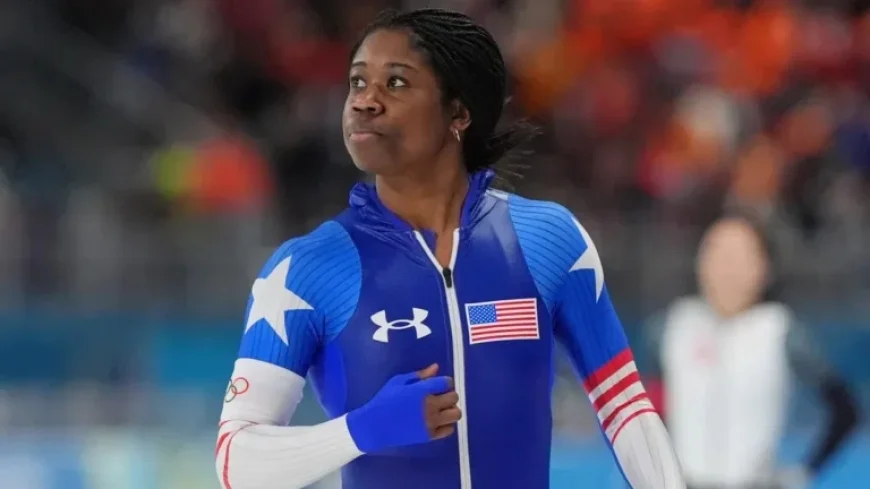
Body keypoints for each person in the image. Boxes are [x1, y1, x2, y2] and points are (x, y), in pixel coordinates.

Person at [216, 8, 685, 489]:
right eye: (358, 83)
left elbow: (624, 406)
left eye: (395, 83)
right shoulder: (306, 269)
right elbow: (236, 462)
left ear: (458, 113)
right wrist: (363, 429)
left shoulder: (548, 239)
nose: (365, 102)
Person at [647, 212, 860, 489]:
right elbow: (645, 417)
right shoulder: (673, 327)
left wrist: (805, 472)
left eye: (740, 257)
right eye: (717, 254)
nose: (727, 269)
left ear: (764, 268)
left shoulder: (779, 331)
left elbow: (846, 410)